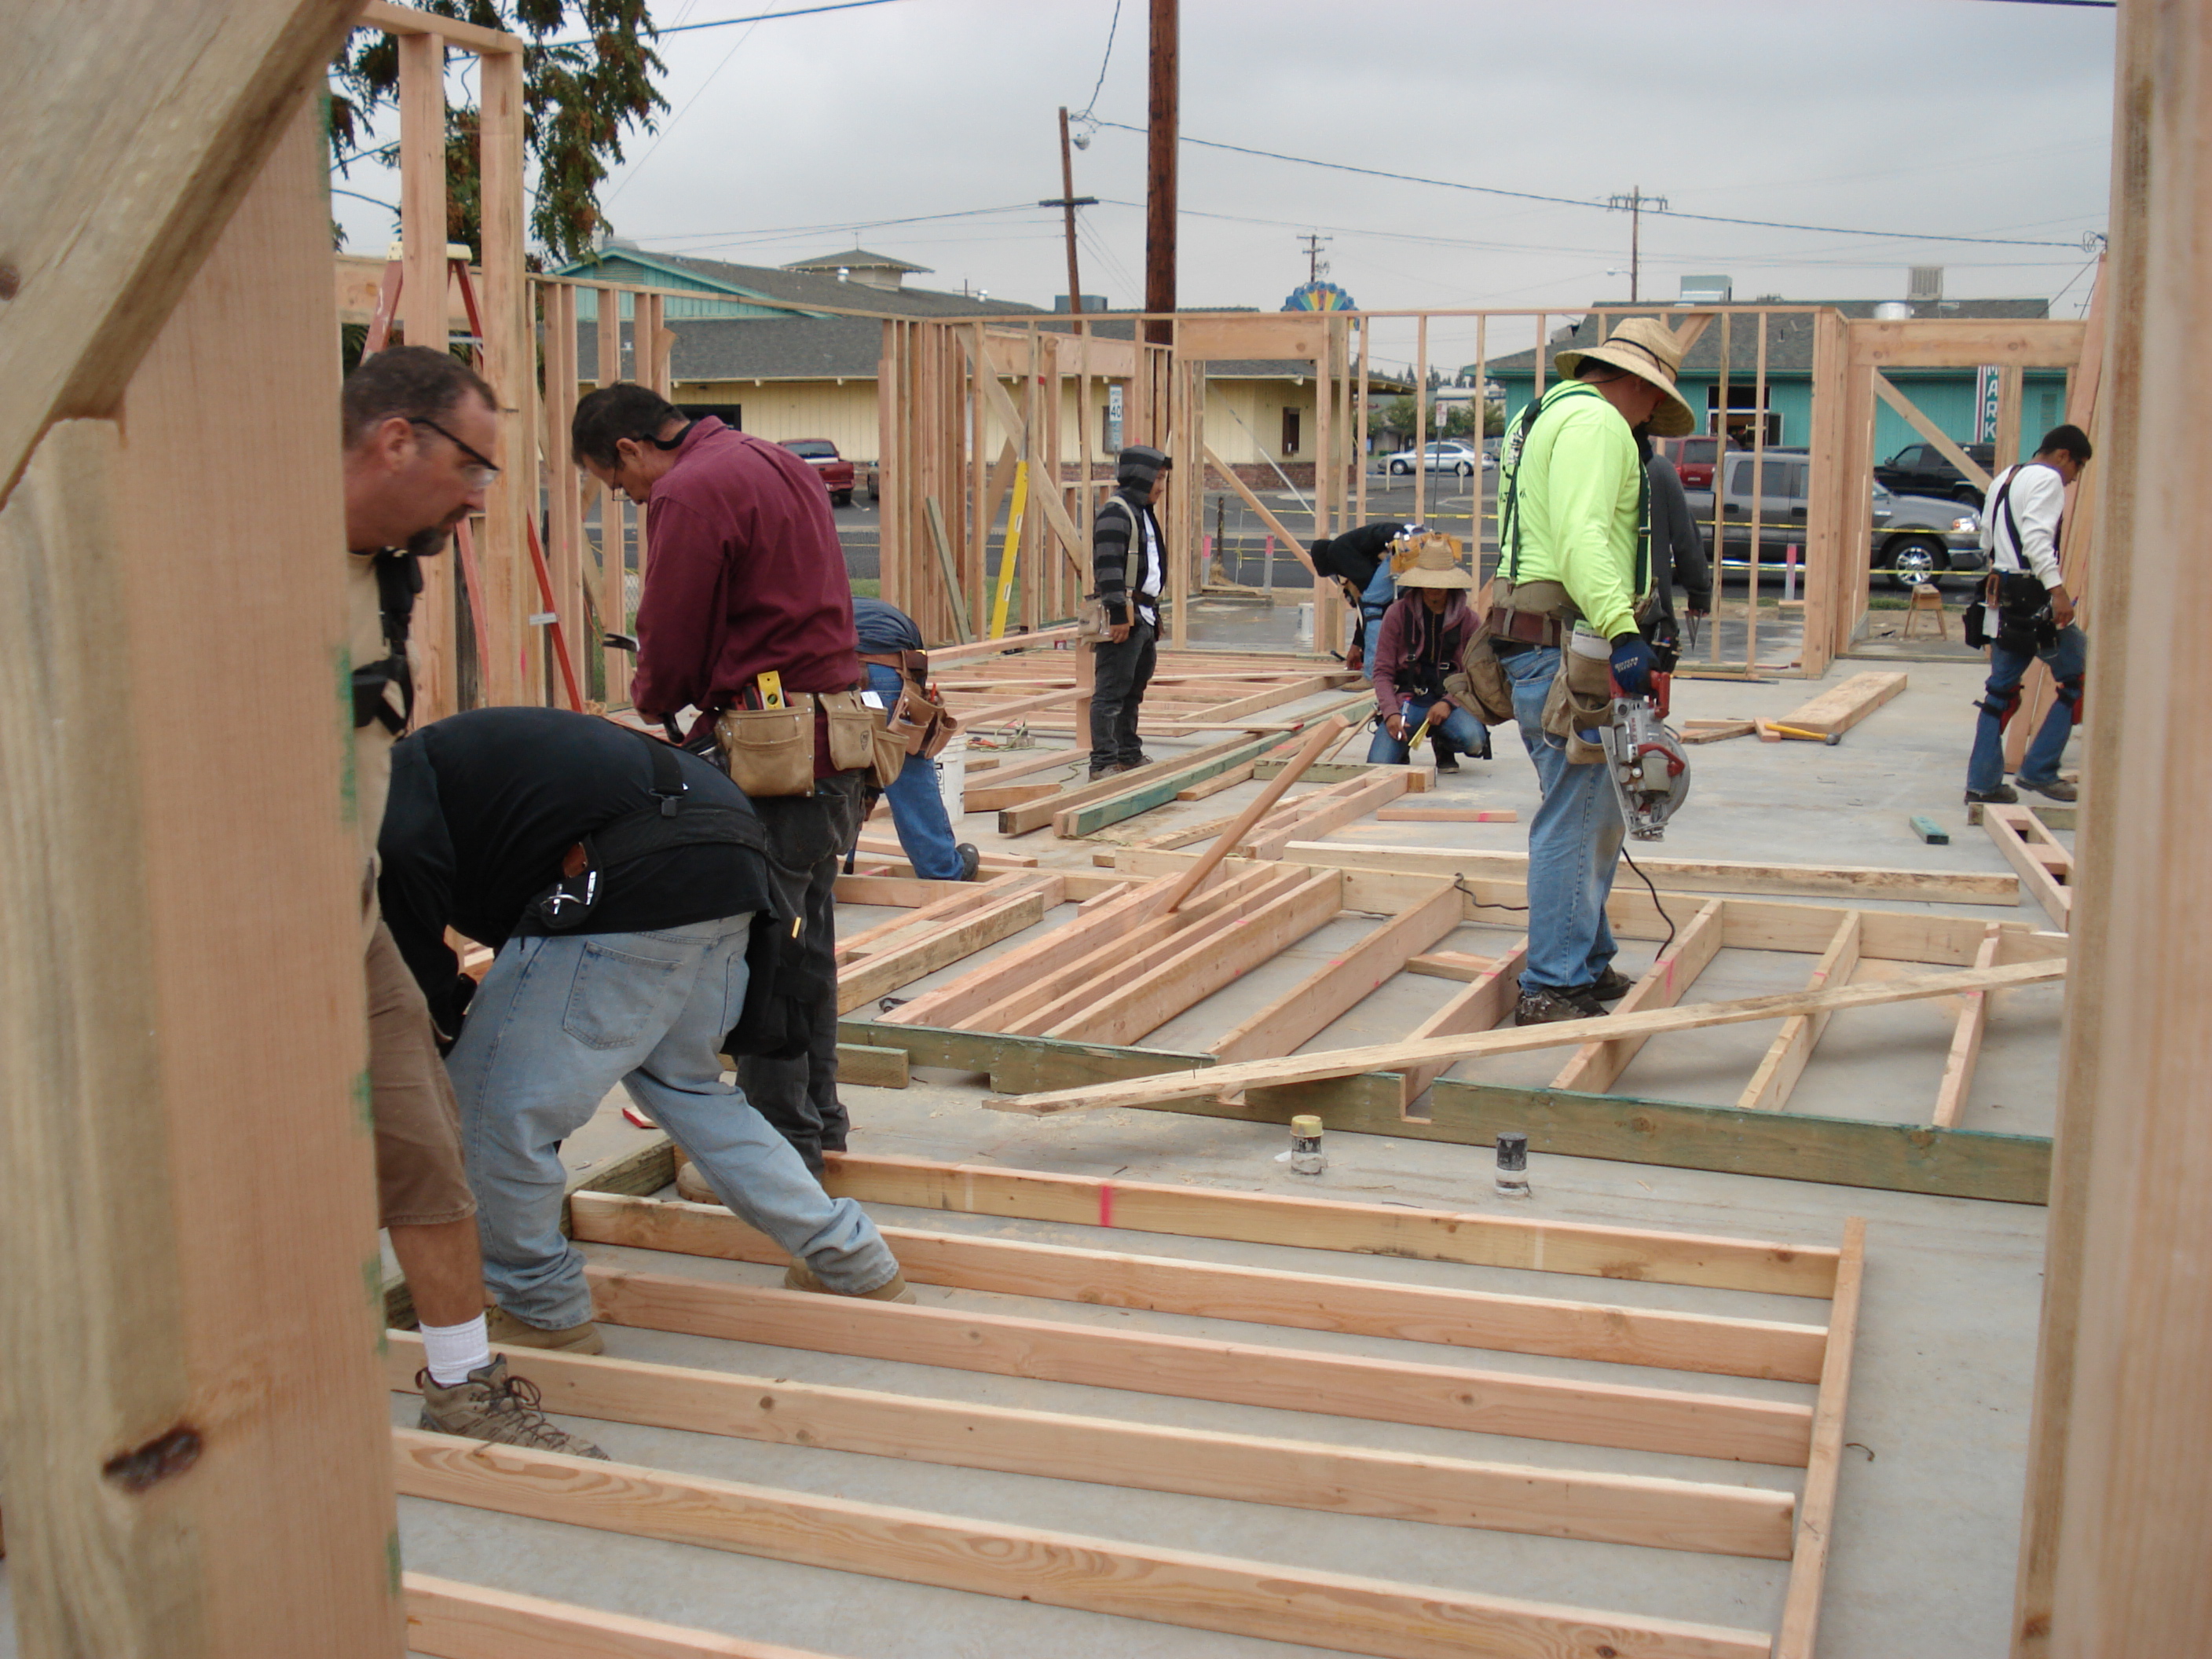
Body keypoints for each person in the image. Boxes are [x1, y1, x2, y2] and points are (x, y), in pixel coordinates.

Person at [379, 707, 914, 1355]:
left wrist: (437, 1009)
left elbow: (406, 895)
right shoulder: (463, 760)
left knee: (492, 1113)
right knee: (691, 1087)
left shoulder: (388, 784)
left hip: (635, 877)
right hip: (732, 869)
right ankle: (852, 1261)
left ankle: (543, 1309)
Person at [341, 346, 604, 1455]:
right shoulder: (243, 543)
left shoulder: (386, 570)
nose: (480, 497)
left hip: (342, 919)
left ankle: (462, 1380)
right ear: (397, 439)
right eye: (474, 467)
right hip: (222, 930)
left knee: (426, 1147)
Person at [570, 383, 864, 1174]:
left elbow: (669, 631)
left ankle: (784, 1154)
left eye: (616, 483)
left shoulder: (689, 492)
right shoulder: (776, 461)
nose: (630, 498)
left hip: (772, 746)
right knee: (806, 945)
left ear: (630, 448)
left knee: (766, 958)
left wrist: (653, 698)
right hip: (832, 739)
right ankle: (821, 1121)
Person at [1490, 317, 1696, 1025]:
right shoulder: (1600, 424)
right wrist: (1623, 628)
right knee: (1579, 812)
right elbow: (1581, 538)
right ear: (1636, 384)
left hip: (1528, 637)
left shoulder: (1538, 414)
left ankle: (1588, 957)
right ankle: (1551, 983)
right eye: (1652, 404)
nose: (1648, 422)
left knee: (1589, 803)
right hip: (1563, 642)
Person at [1965, 424, 2093, 805]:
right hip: (2031, 597)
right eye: (2078, 468)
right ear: (2063, 456)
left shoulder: (2007, 476)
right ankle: (2039, 771)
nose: (2073, 480)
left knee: (2000, 693)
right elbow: (2038, 540)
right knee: (2079, 679)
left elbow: (1987, 537)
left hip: (2000, 594)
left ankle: (1983, 785)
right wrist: (2057, 592)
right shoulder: (2048, 481)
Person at [853, 596, 980, 881]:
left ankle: (816, 889)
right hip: (886, 669)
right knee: (907, 770)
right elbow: (917, 679)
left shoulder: (822, 608)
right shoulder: (885, 618)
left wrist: (867, 786)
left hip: (832, 672)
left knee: (835, 769)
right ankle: (942, 871)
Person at [1364, 537, 1492, 768]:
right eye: (1429, 581)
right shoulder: (1397, 614)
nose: (1434, 588)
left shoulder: (1469, 620)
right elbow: (1382, 671)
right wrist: (1391, 713)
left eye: (1440, 582)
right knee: (1378, 764)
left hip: (1450, 698)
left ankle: (1444, 744)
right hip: (1408, 699)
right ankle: (1402, 745)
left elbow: (1476, 674)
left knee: (1473, 741)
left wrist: (1449, 703)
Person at [1088, 445, 1172, 780]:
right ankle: (1104, 762)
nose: (1161, 486)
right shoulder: (1117, 512)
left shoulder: (1143, 512)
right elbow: (1107, 565)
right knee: (1111, 690)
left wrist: (1155, 616)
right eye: (1159, 478)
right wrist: (1119, 614)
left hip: (1144, 614)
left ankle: (1128, 753)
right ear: (1142, 477)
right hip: (1126, 614)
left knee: (1134, 688)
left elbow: (1147, 570)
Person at [1311, 518, 1417, 674]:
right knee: (1379, 605)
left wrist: (1361, 646)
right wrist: (1358, 644)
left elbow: (1370, 601)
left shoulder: (1337, 552)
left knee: (1372, 606)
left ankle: (1372, 675)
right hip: (1411, 541)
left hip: (1401, 543)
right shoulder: (1353, 548)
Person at [1642, 437, 1712, 644]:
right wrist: (1699, 594)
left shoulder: (1587, 468)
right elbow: (1686, 539)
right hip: (1648, 614)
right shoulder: (1658, 470)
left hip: (1588, 616)